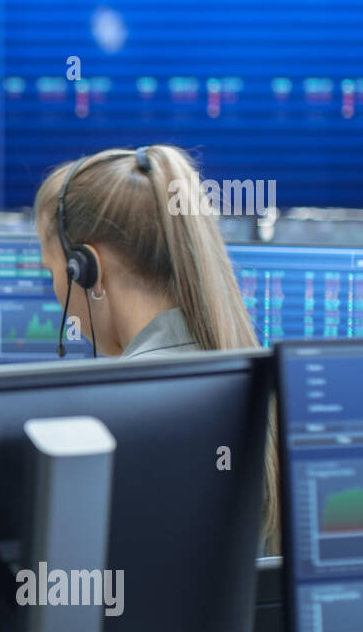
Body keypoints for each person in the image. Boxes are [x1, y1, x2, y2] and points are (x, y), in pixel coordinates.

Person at [32, 143, 279, 554]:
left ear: (86, 268)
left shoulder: (98, 423)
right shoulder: (259, 389)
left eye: (52, 271)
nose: (56, 290)